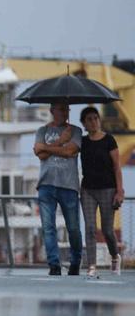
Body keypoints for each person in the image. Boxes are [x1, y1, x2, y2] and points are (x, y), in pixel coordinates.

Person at [33, 101, 83, 276]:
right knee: (48, 227)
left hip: (68, 185)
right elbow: (39, 155)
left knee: (74, 228)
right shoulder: (42, 131)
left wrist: (47, 148)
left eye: (67, 109)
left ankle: (75, 262)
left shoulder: (76, 131)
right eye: (61, 109)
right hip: (46, 185)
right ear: (52, 110)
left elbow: (70, 152)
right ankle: (54, 264)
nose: (65, 112)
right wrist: (61, 142)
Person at [79, 106, 124, 276]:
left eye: (96, 118)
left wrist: (119, 191)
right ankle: (92, 265)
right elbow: (68, 150)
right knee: (90, 228)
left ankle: (114, 256)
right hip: (88, 190)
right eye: (89, 119)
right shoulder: (82, 142)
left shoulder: (109, 140)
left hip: (108, 189)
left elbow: (117, 167)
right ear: (84, 123)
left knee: (107, 230)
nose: (94, 121)